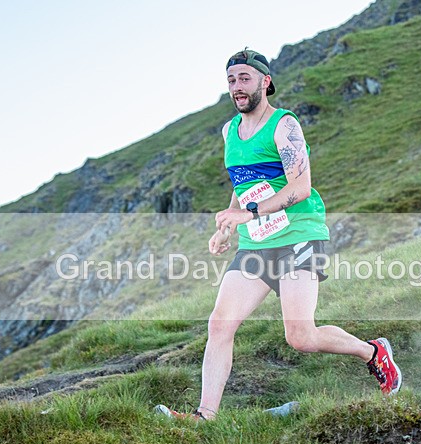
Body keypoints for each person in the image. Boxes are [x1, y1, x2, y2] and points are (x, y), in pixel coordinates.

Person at [156, 49, 401, 421]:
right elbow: (243, 182)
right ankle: (205, 417)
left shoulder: (285, 126)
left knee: (300, 337)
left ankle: (373, 353)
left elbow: (300, 187)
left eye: (244, 79)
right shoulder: (230, 131)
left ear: (265, 82)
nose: (237, 87)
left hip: (299, 233)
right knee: (219, 324)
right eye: (231, 80)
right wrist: (227, 226)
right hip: (257, 241)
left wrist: (248, 213)